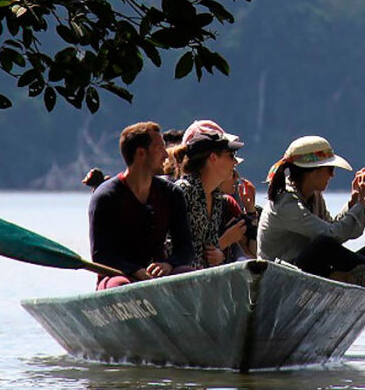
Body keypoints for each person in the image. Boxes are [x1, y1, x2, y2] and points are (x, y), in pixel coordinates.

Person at [257, 135, 365, 304]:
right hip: (282, 277)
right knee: (322, 245)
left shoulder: (314, 195)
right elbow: (332, 236)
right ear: (312, 172)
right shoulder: (286, 202)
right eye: (330, 170)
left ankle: (345, 278)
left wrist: (355, 202)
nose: (332, 175)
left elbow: (335, 228)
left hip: (315, 269)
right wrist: (360, 205)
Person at [87, 121, 195, 289]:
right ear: (141, 153)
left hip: (158, 276)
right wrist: (134, 270)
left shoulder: (171, 194)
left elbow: (185, 248)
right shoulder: (105, 197)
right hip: (118, 275)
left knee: (192, 276)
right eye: (160, 148)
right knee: (121, 286)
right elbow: (101, 255)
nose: (166, 155)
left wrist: (169, 264)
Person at [170, 120, 249, 269]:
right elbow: (171, 246)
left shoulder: (216, 197)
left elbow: (211, 247)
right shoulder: (184, 191)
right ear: (213, 158)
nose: (234, 163)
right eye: (231, 156)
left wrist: (219, 253)